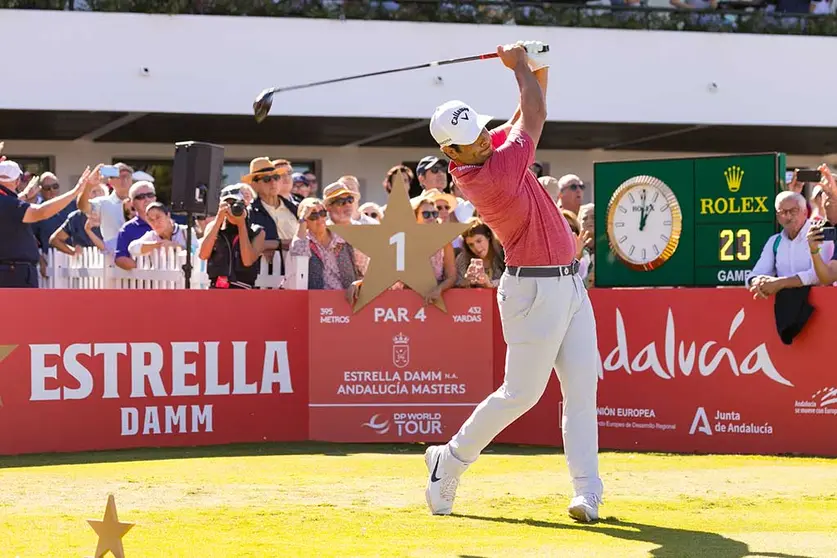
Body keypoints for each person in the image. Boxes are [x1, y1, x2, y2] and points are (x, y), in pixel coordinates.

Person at [423, 41, 603, 523]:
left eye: (482, 129)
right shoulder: (488, 176)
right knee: (520, 394)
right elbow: (535, 113)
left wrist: (537, 63)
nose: (484, 139)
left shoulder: (490, 146)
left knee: (582, 390)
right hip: (533, 291)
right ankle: (450, 460)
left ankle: (588, 492)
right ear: (450, 152)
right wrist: (519, 64)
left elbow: (529, 108)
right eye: (471, 139)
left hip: (569, 285)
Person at [0, 160, 99, 287]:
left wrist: (24, 196)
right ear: (17, 181)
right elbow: (41, 212)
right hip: (13, 274)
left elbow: (9, 207)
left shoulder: (8, 202)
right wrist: (75, 191)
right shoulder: (10, 204)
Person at [198, 187, 266, 289]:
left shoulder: (257, 231)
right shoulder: (213, 228)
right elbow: (203, 255)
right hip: (217, 288)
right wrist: (218, 220)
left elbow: (247, 261)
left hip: (243, 289)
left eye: (235, 204)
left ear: (244, 205)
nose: (231, 209)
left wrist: (241, 225)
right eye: (227, 205)